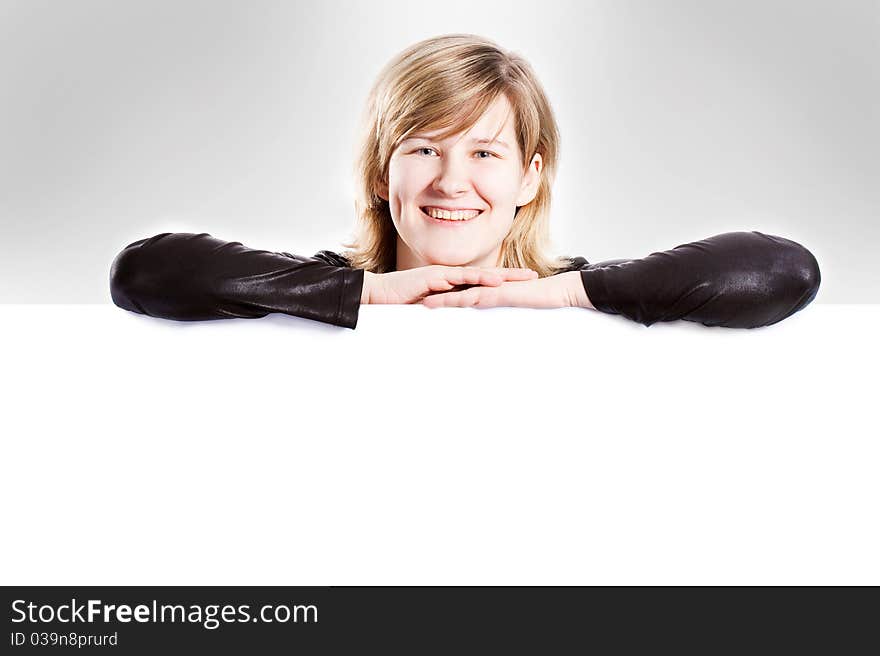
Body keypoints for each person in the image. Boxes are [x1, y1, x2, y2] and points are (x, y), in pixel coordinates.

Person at [109, 34, 821, 330]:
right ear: (381, 177)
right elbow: (144, 272)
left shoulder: (570, 292)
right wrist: (364, 291)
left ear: (529, 179)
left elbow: (783, 270)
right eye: (423, 149)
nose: (452, 182)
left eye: (485, 154)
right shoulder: (332, 287)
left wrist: (571, 292)